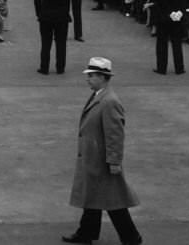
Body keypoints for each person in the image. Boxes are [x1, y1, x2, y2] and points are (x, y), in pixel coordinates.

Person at [63, 57, 142, 245]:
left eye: (91, 76)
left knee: (113, 201)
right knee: (94, 197)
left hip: (101, 160)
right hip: (95, 158)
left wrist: (114, 161)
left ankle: (131, 237)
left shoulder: (109, 102)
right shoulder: (100, 96)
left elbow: (115, 134)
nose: (87, 79)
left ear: (102, 77)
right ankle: (86, 233)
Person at [34, 0, 77, 75]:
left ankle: (44, 67)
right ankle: (60, 67)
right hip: (61, 17)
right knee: (61, 43)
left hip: (46, 17)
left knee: (46, 43)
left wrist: (39, 13)